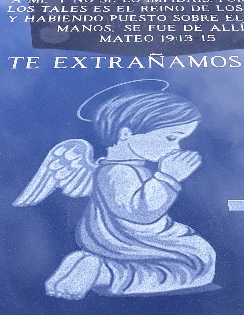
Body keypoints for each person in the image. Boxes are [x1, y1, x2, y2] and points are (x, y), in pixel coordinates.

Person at [13, 80, 215, 300]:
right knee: (192, 268)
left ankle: (94, 268)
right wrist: (168, 177)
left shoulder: (118, 169)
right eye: (171, 137)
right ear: (126, 134)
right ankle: (102, 272)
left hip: (131, 240)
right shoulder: (119, 172)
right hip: (137, 243)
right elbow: (140, 211)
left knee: (198, 258)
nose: (176, 147)